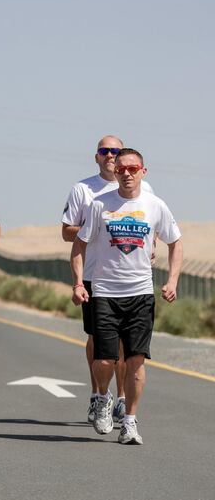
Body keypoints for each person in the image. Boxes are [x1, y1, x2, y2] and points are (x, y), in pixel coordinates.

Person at [71, 148, 182, 445]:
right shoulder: (99, 205)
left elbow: (175, 241)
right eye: (122, 169)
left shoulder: (155, 205)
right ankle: (103, 397)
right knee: (105, 360)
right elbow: (79, 245)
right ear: (115, 172)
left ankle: (130, 422)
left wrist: (172, 280)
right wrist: (79, 283)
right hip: (105, 292)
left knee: (136, 361)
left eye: (133, 168)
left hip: (141, 294)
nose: (127, 173)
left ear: (143, 172)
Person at [62, 135, 154, 424]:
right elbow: (67, 232)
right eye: (105, 151)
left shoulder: (143, 187)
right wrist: (98, 226)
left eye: (116, 151)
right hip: (93, 274)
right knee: (99, 340)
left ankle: (123, 398)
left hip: (130, 277)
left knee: (127, 345)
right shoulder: (83, 189)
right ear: (97, 157)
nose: (111, 155)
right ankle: (97, 395)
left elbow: (150, 224)